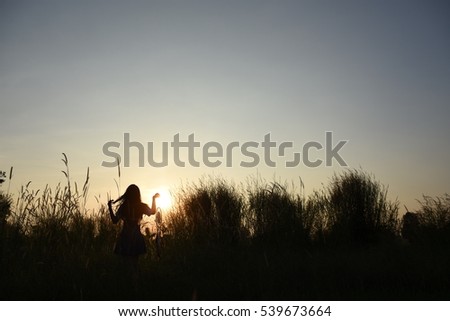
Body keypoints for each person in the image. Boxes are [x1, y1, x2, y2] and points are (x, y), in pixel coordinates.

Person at [108, 184, 159, 291]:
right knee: (135, 263)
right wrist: (153, 199)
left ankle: (128, 287)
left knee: (125, 264)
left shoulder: (123, 207)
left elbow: (114, 221)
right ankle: (136, 287)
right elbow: (153, 212)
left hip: (125, 237)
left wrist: (109, 208)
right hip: (136, 236)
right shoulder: (141, 206)